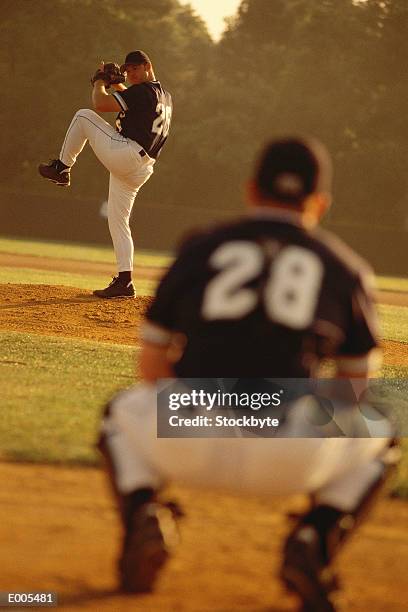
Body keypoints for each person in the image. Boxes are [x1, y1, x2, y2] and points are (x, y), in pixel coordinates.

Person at [98, 138, 399, 610]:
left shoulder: (201, 247)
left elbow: (151, 370)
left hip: (188, 435)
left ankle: (143, 514)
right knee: (386, 427)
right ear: (320, 203)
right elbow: (353, 392)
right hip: (289, 453)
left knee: (118, 413)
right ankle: (314, 541)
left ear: (251, 191)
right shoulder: (346, 268)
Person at [39, 50, 172, 299]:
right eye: (127, 69)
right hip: (141, 167)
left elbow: (100, 103)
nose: (130, 72)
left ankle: (62, 168)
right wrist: (116, 83)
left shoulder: (142, 92)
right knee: (117, 220)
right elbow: (131, 100)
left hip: (128, 153)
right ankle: (125, 282)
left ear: (147, 66)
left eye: (135, 68)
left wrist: (101, 81)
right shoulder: (163, 95)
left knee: (83, 116)